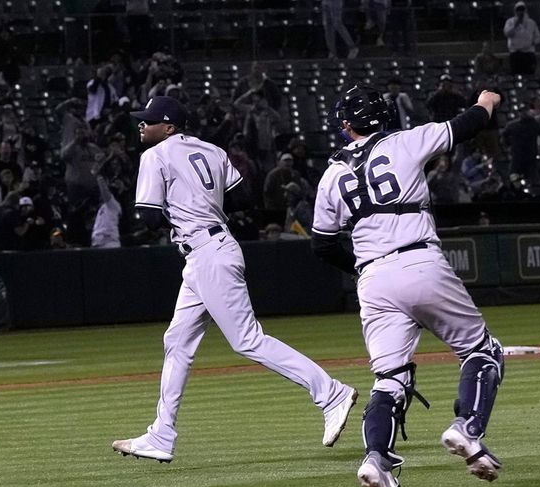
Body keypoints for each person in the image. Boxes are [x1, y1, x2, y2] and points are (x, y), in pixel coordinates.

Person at [111, 96, 358, 462]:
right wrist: (201, 202)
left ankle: (330, 391)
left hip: (207, 252)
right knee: (176, 341)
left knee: (247, 340)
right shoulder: (211, 149)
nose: (141, 125)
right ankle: (161, 435)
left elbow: (147, 217)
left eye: (149, 120)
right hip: (211, 250)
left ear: (170, 127)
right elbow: (243, 198)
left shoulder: (156, 155)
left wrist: (186, 212)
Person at [311, 85, 505, 487]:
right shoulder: (403, 141)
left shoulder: (330, 176)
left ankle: (376, 460)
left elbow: (322, 245)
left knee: (390, 380)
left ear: (346, 126)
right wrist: (486, 101)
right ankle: (467, 430)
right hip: (419, 260)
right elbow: (465, 125)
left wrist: (365, 269)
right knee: (482, 350)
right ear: (384, 117)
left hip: (372, 279)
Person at [503, 1, 540, 76]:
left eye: (522, 10)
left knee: (530, 74)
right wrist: (515, 25)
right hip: (515, 54)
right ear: (515, 11)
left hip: (528, 53)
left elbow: (538, 37)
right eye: (518, 10)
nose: (520, 12)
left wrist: (532, 42)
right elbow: (507, 33)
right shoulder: (510, 22)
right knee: (515, 74)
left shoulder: (531, 23)